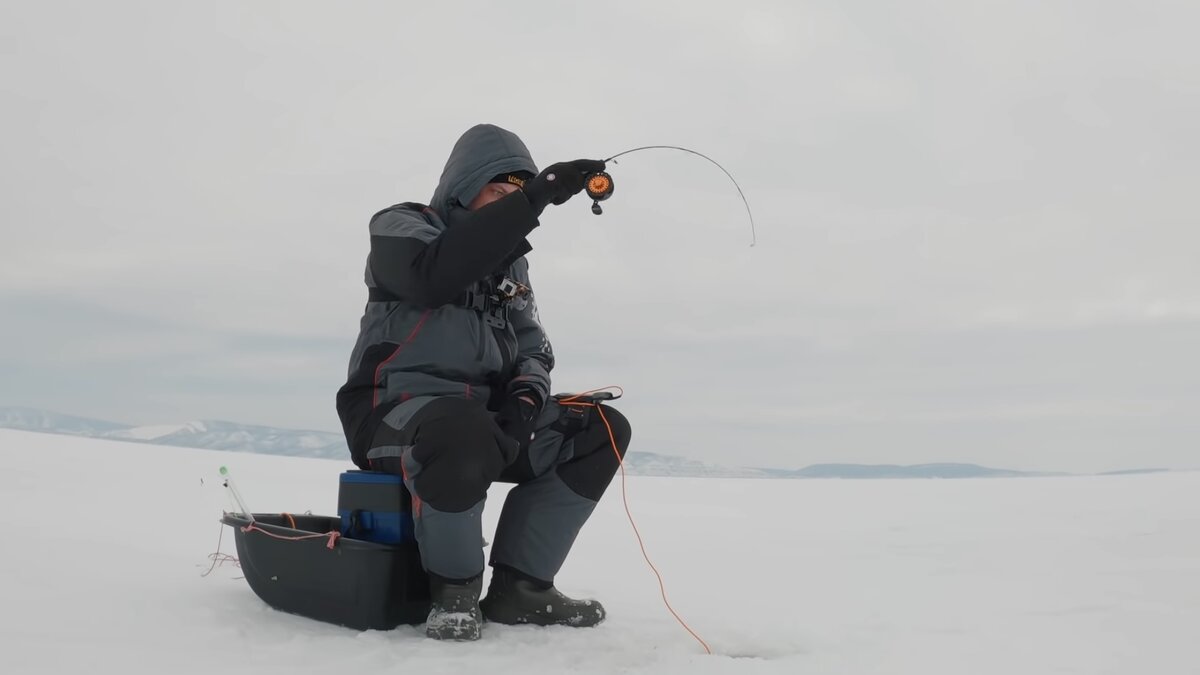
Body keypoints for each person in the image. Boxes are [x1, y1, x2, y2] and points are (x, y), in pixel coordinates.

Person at [335, 123, 632, 641]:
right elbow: (433, 277)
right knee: (461, 430)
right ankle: (453, 594)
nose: (508, 202)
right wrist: (537, 196)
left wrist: (524, 400)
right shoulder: (400, 227)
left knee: (599, 428)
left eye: (518, 192)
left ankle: (523, 588)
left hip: (486, 420)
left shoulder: (510, 264)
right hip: (392, 413)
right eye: (498, 190)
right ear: (462, 187)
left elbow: (534, 345)